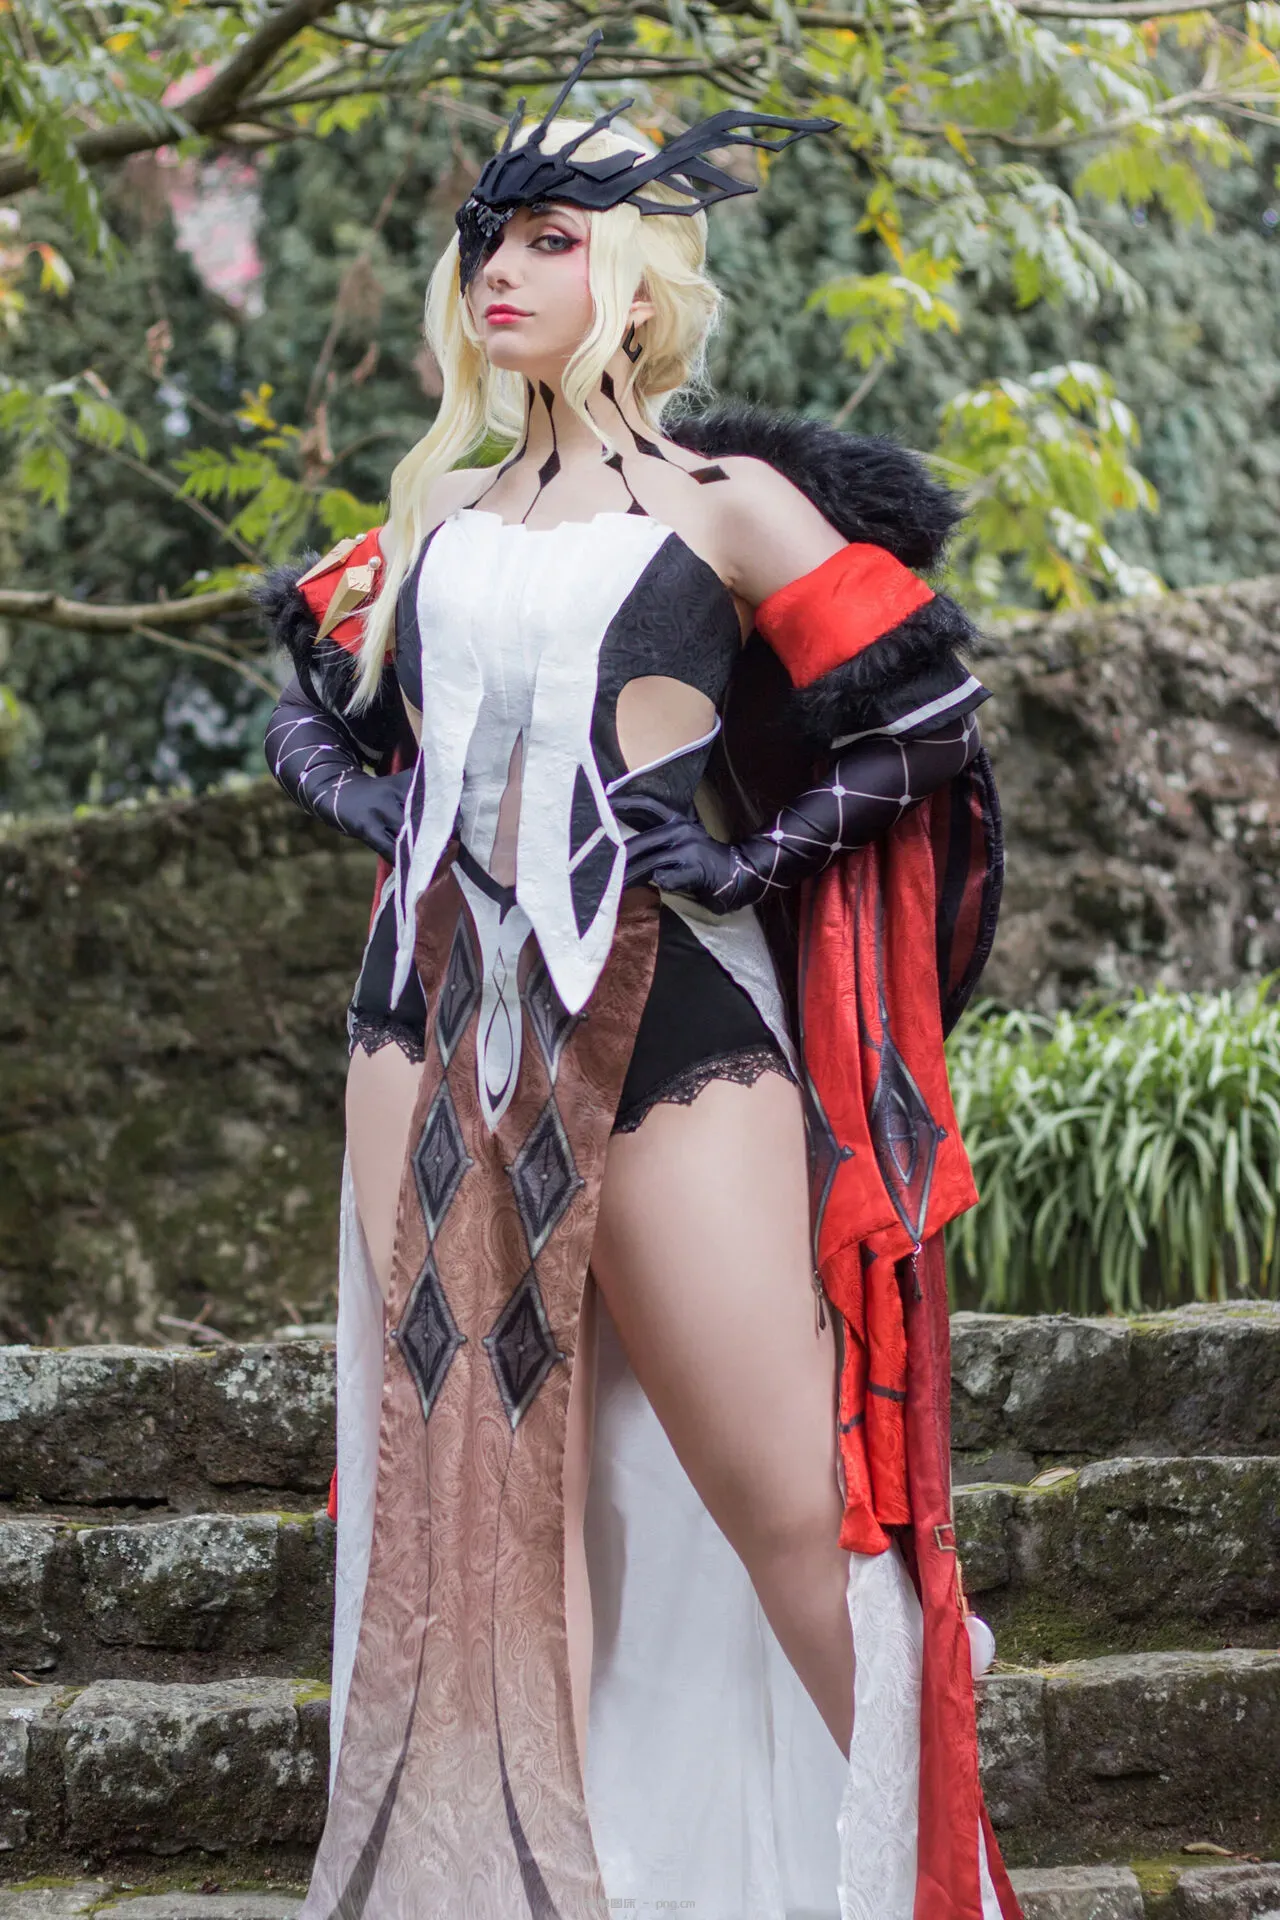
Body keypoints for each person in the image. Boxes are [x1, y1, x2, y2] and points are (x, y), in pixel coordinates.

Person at [261, 33, 1018, 1920]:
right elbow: (318, 708)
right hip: (427, 1026)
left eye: (550, 237)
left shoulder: (724, 500)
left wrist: (752, 857)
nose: (500, 268)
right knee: (484, 1520)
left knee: (794, 1508)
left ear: (641, 283)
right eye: (485, 239)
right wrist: (362, 792)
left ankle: (943, 1888)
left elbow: (927, 708)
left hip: (668, 1017)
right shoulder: (431, 519)